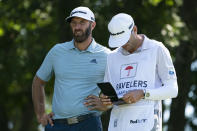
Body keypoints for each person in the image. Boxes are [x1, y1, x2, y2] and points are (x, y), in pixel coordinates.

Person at [32, 6, 110, 131]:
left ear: (93, 25)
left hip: (89, 124)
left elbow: (117, 88)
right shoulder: (57, 51)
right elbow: (38, 82)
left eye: (82, 22)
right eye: (74, 23)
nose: (77, 27)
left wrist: (106, 105)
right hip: (56, 125)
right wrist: (40, 114)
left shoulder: (106, 55)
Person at [100, 13, 178, 131]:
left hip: (147, 124)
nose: (123, 45)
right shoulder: (111, 57)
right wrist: (105, 100)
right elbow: (109, 96)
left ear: (134, 29)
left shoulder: (157, 49)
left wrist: (143, 93)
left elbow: (172, 90)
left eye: (125, 40)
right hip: (118, 125)